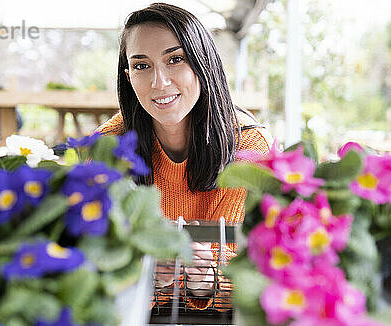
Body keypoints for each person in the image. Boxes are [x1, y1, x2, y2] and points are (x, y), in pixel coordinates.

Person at [96, 3, 274, 304]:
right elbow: (98, 273)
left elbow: (244, 282)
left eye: (175, 59)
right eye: (142, 65)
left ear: (202, 64)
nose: (159, 82)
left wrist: (206, 281)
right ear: (128, 76)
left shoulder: (249, 146)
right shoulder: (109, 146)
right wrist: (151, 278)